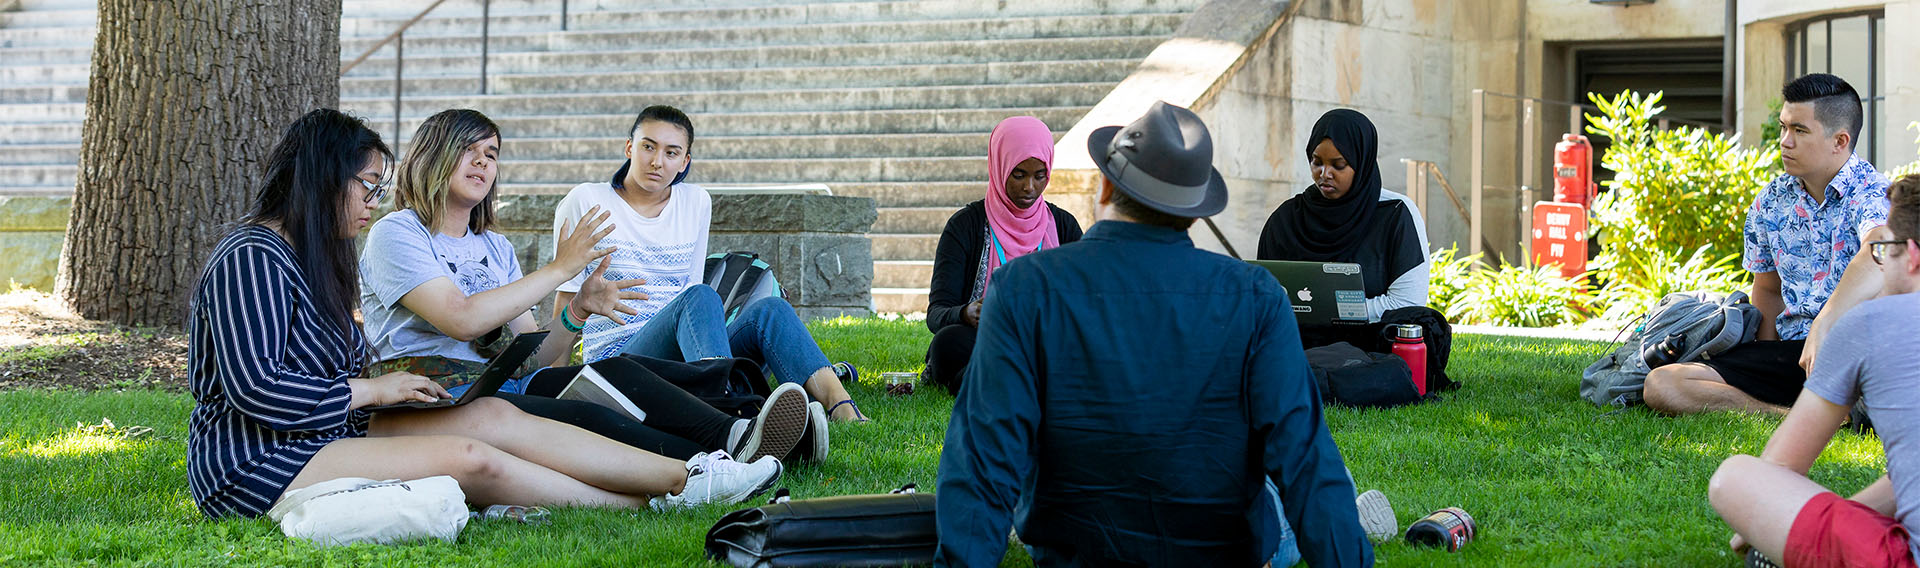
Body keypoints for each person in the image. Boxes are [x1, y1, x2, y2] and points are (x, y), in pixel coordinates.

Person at [186, 108, 779, 519]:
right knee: (472, 456)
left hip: (329, 427)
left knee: (494, 414)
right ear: (322, 180)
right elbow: (256, 390)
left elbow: (528, 345)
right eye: (366, 186)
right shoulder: (253, 257)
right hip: (257, 458)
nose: (372, 201)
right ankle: (664, 495)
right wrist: (373, 390)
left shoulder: (315, 258)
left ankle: (698, 474)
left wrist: (574, 317)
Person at [935, 101, 1373, 566]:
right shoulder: (1256, 296)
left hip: (1074, 548)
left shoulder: (1023, 287)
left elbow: (984, 460)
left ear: (1107, 185)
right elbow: (1305, 461)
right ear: (1194, 211)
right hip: (1216, 547)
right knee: (1316, 483)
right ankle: (1359, 514)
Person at [358, 109, 814, 463]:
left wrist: (577, 311)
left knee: (615, 375)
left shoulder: (495, 247)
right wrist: (560, 270)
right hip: (439, 394)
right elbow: (459, 318)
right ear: (433, 154)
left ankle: (740, 432)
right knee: (593, 415)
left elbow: (532, 357)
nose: (483, 161)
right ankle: (722, 453)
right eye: (468, 150)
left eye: (492, 153)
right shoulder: (398, 232)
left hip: (503, 385)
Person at [550, 105, 866, 422]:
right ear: (629, 147)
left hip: (684, 357)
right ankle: (732, 414)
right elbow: (565, 296)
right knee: (701, 296)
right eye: (648, 146)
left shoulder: (696, 202)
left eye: (671, 153)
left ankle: (842, 409)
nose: (657, 161)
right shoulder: (586, 201)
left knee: (771, 310)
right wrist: (553, 391)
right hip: (618, 360)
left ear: (685, 161)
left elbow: (688, 290)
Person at [1644, 73, 1892, 417]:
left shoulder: (1875, 193)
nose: (1785, 141)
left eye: (1800, 131)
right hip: (1793, 354)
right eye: (1783, 127)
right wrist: (1763, 362)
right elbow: (1768, 291)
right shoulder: (1771, 201)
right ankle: (1798, 417)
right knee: (1663, 384)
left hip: (1861, 354)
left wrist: (1827, 319)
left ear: (1840, 141)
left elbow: (1880, 250)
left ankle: (1842, 408)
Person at [1707, 174, 1920, 568]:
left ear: (1911, 254)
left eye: (1883, 249)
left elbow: (1780, 468)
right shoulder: (1774, 200)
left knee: (1735, 476)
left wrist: (1764, 524)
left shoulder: (1869, 323)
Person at [923, 116, 1083, 392]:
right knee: (948, 343)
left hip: (1047, 341)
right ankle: (1025, 379)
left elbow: (1086, 302)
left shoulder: (1064, 226)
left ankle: (992, 380)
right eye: (1018, 174)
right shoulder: (966, 226)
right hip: (984, 339)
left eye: (1039, 175)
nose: (1029, 187)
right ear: (999, 166)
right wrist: (965, 313)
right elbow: (936, 314)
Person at [1257, 108, 1430, 329]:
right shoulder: (1287, 219)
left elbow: (1407, 304)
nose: (1324, 173)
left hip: (1369, 343)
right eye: (1316, 162)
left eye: (1338, 165)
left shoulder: (1396, 213)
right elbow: (1265, 295)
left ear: (1362, 163)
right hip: (1296, 341)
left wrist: (1334, 312)